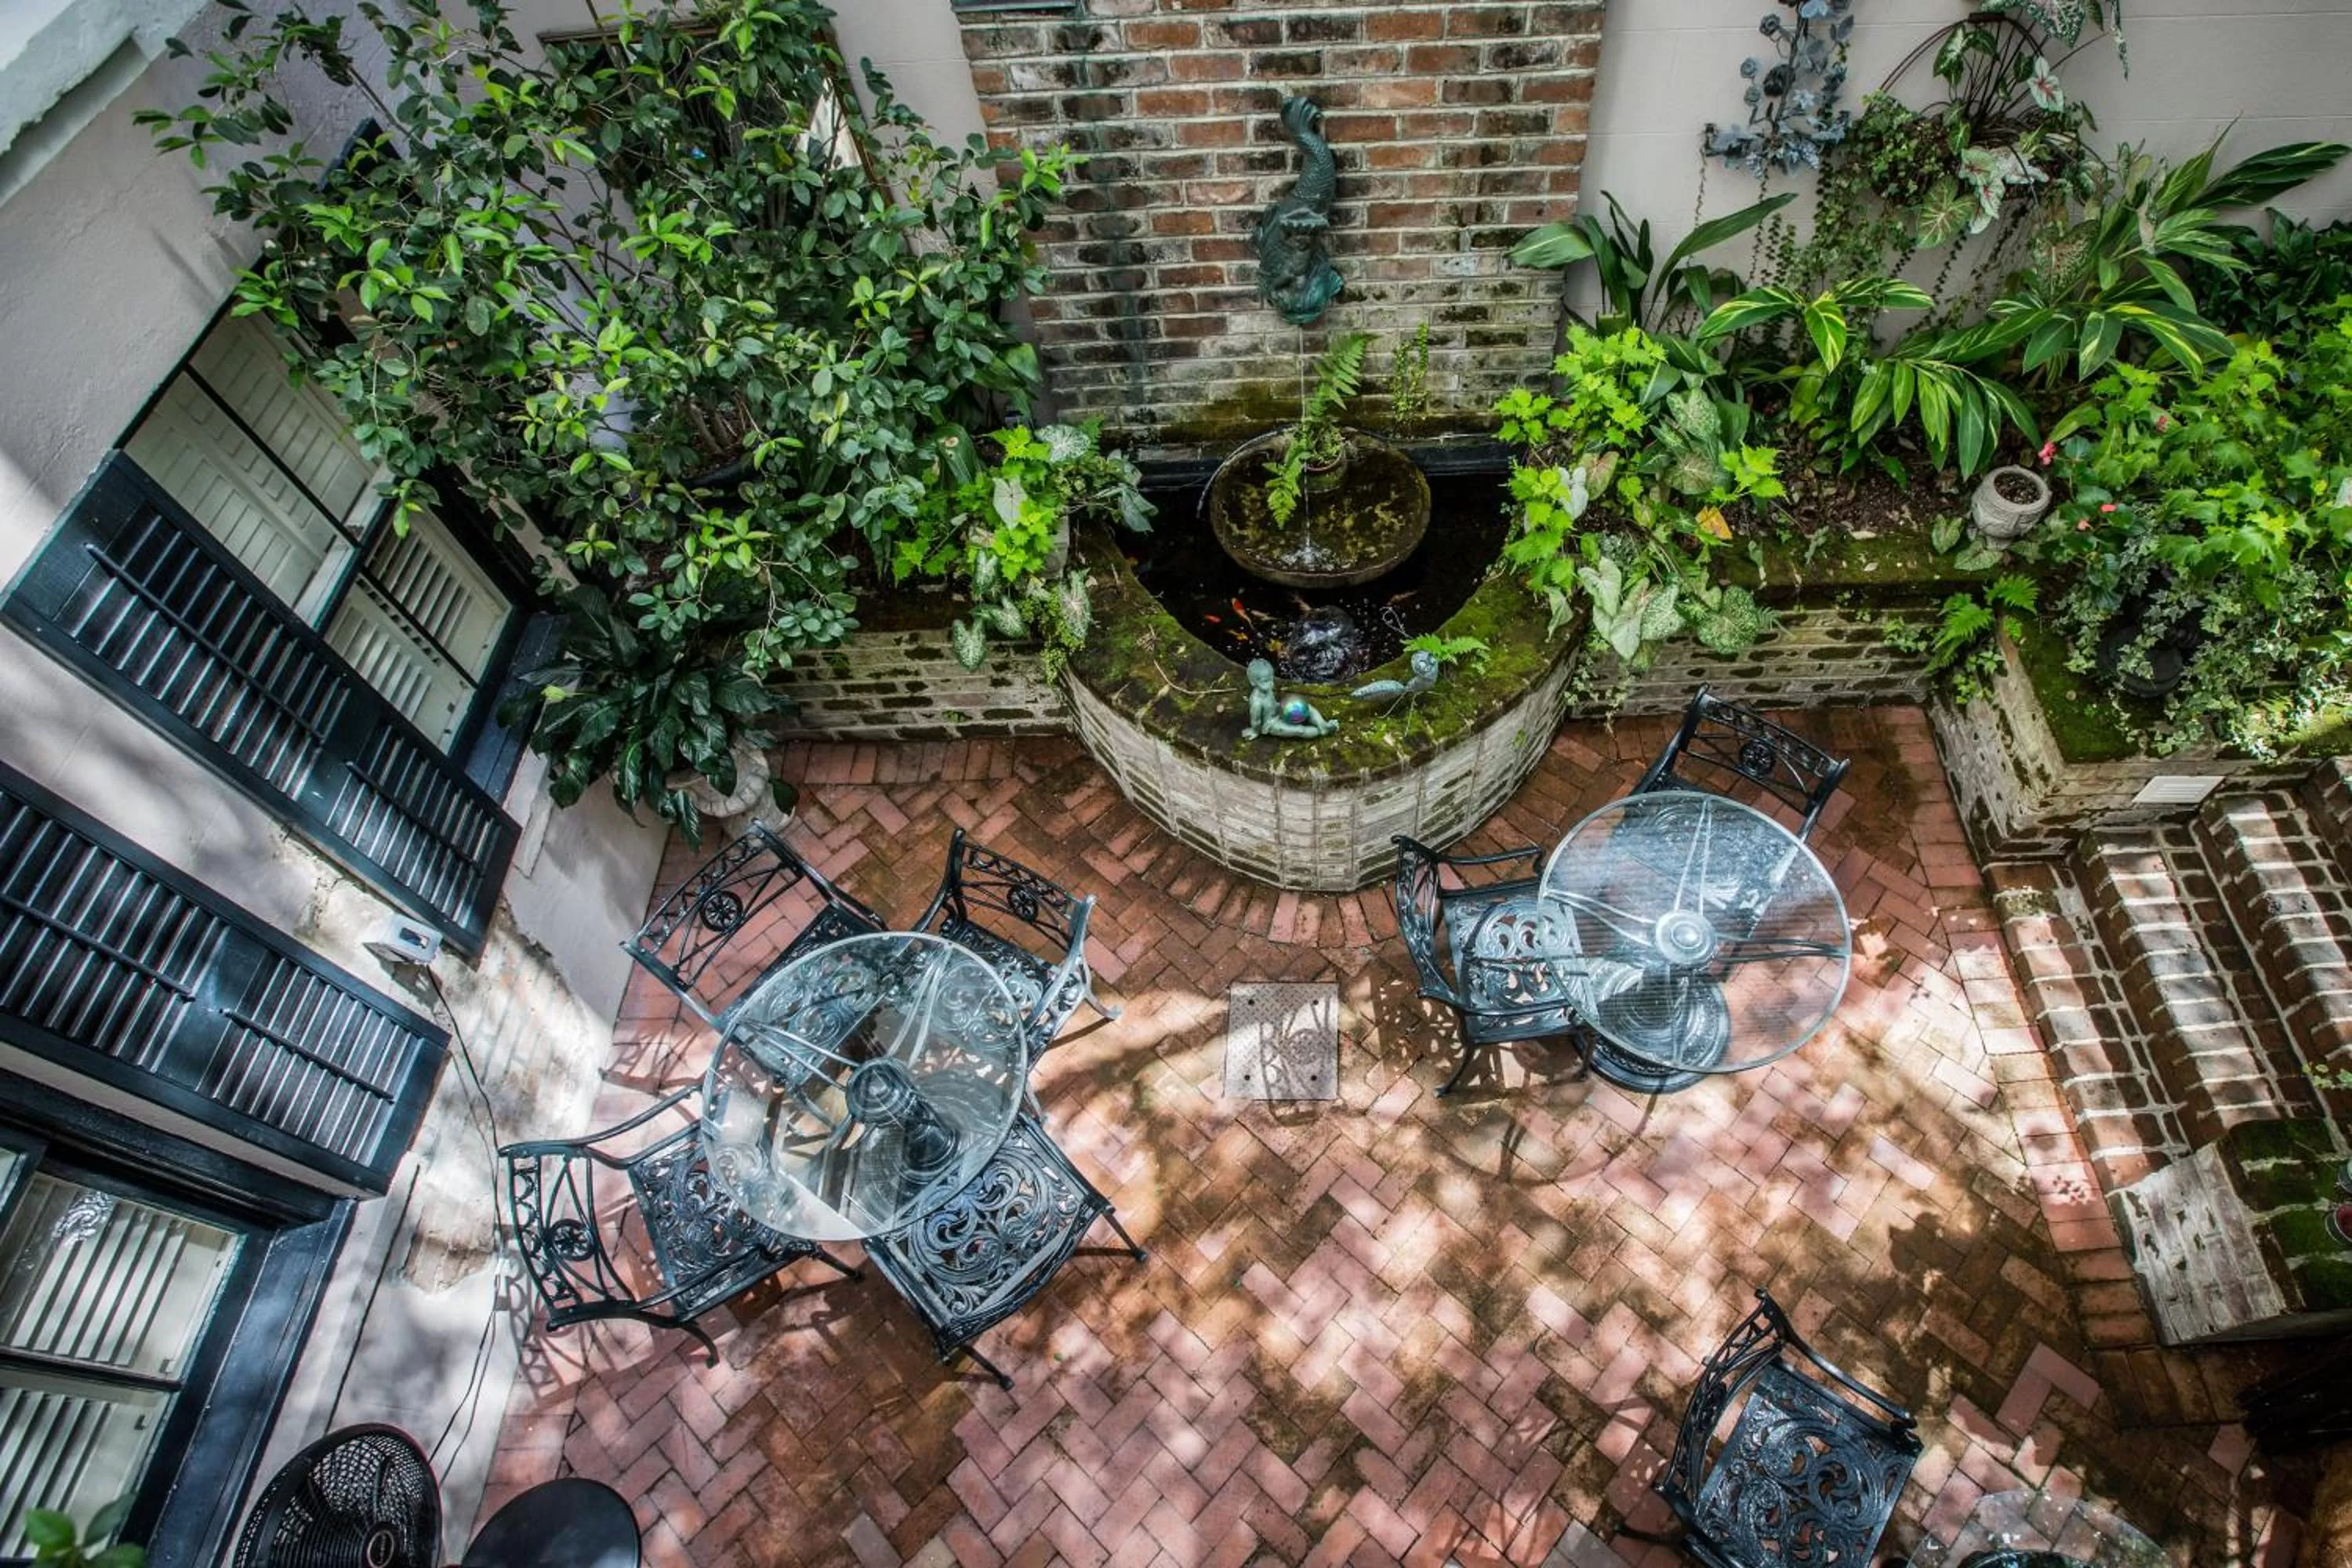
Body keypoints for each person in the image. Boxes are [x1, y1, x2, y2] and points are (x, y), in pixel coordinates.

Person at [1242, 658, 1338, 739]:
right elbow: (1256, 720)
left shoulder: (1267, 689)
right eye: (1265, 681)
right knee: (1299, 730)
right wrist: (1255, 731)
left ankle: (1323, 725)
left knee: (1306, 707)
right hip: (1271, 724)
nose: (1270, 683)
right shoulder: (1257, 702)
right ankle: (1319, 732)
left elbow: (1273, 703)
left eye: (1271, 679)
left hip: (1277, 709)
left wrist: (1281, 707)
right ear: (1253, 682)